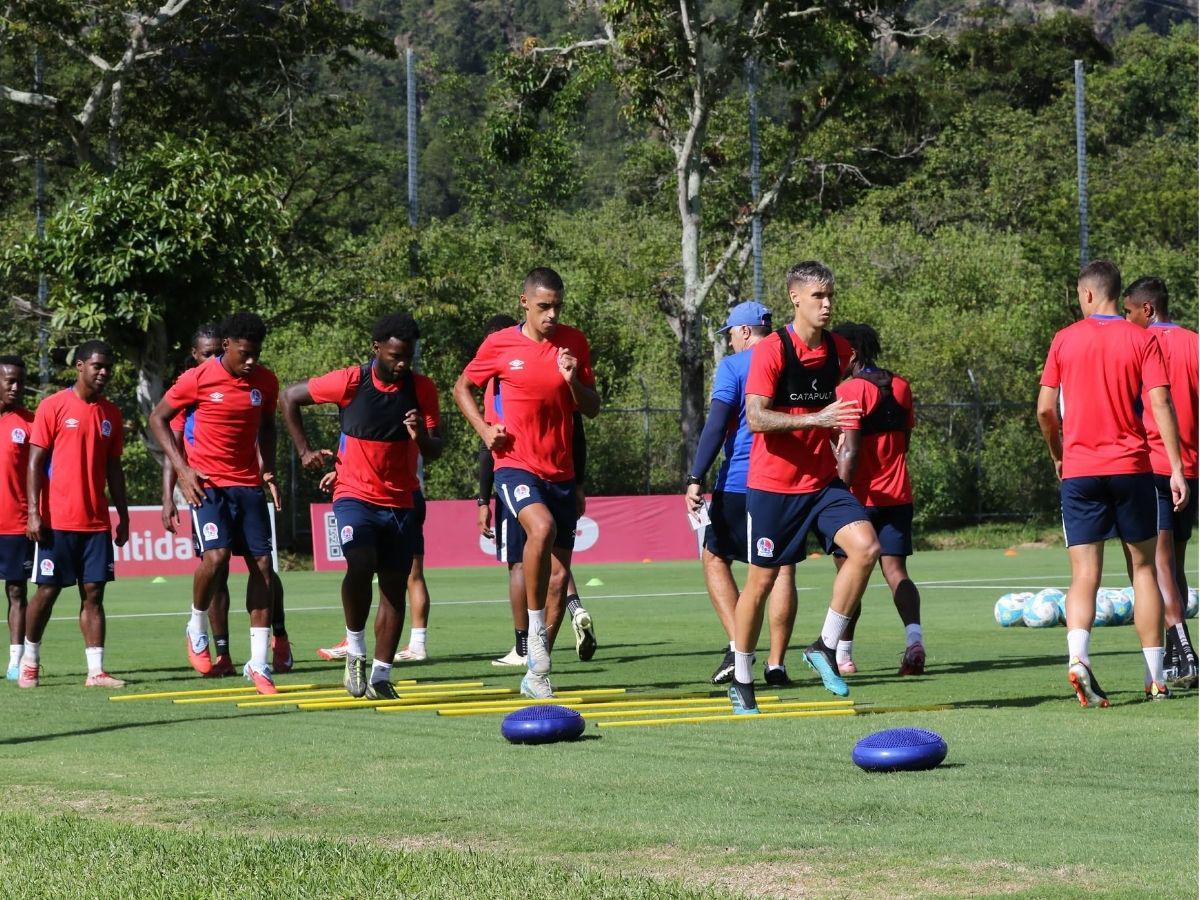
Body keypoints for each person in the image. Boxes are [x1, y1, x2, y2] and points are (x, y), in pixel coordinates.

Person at [729, 262, 879, 714]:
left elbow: (829, 403)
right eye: (818, 296)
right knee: (761, 582)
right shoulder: (772, 350)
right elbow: (756, 418)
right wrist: (817, 419)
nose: (827, 304)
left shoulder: (839, 350)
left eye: (830, 295)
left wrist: (834, 433)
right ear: (796, 299)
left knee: (866, 547)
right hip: (773, 486)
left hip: (820, 482)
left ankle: (825, 646)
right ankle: (740, 676)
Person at [1037, 260, 1188, 705]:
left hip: (1081, 470)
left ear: (1086, 294)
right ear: (1115, 294)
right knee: (1143, 569)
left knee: (1085, 573)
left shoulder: (1064, 340)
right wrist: (1176, 468)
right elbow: (1161, 403)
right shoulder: (1142, 338)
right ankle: (1156, 676)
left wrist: (1057, 454)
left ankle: (1079, 659)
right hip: (1133, 469)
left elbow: (1045, 410)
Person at [454, 267, 600, 699]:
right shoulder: (500, 344)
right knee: (541, 528)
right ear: (524, 303)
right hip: (515, 465)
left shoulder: (574, 342)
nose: (552, 314)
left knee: (559, 579)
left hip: (561, 471)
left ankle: (538, 673)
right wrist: (484, 430)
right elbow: (462, 387)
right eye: (543, 307)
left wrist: (573, 381)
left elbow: (591, 408)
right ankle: (533, 631)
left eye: (558, 306)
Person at [281, 313, 441, 699]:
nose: (403, 364)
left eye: (409, 357)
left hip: (401, 499)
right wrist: (303, 451)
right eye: (396, 356)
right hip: (353, 493)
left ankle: (382, 676)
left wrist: (421, 435)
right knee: (360, 560)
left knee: (393, 585)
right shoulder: (352, 381)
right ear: (377, 349)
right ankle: (355, 649)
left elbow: (435, 451)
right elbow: (289, 397)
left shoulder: (422, 389)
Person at [149, 313, 281, 695]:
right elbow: (158, 419)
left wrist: (268, 470)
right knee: (217, 557)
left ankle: (258, 664)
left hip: (248, 486)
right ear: (226, 346)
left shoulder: (265, 382)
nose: (252, 360)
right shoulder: (198, 378)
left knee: (262, 567)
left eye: (257, 353)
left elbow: (269, 425)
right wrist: (183, 471)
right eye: (245, 353)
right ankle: (196, 624)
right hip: (207, 485)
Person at [684, 301, 797, 686]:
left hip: (741, 481)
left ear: (745, 331)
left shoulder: (736, 366)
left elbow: (716, 425)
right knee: (781, 567)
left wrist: (695, 476)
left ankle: (739, 647)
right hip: (789, 482)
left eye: (730, 334)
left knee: (715, 557)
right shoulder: (793, 357)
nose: (729, 341)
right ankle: (777, 664)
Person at [20, 340, 130, 688]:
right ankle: (30, 659)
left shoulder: (111, 413)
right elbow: (35, 463)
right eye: (97, 365)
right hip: (57, 520)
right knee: (47, 591)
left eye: (108, 367)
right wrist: (34, 513)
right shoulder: (52, 406)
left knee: (94, 593)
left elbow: (114, 469)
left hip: (96, 521)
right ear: (79, 366)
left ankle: (96, 671)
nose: (103, 372)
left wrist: (123, 515)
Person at [830, 322, 925, 676]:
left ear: (851, 352)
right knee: (896, 571)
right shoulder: (901, 385)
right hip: (898, 493)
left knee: (849, 577)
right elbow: (905, 441)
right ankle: (915, 641)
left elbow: (850, 453)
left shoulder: (850, 391)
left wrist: (838, 494)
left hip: (859, 496)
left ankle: (842, 656)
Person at [1122, 277, 1198, 688]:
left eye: (1129, 311)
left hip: (1155, 464)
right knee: (1178, 563)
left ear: (1147, 310)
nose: (1126, 319)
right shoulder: (1194, 342)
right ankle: (1176, 651)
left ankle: (1185, 652)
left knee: (1159, 562)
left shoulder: (1139, 345)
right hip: (1191, 467)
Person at [0, 356, 34, 680]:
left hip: (15, 523)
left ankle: (16, 660)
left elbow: (41, 475)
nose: (15, 387)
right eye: (9, 380)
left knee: (16, 591)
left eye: (19, 382)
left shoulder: (29, 424)